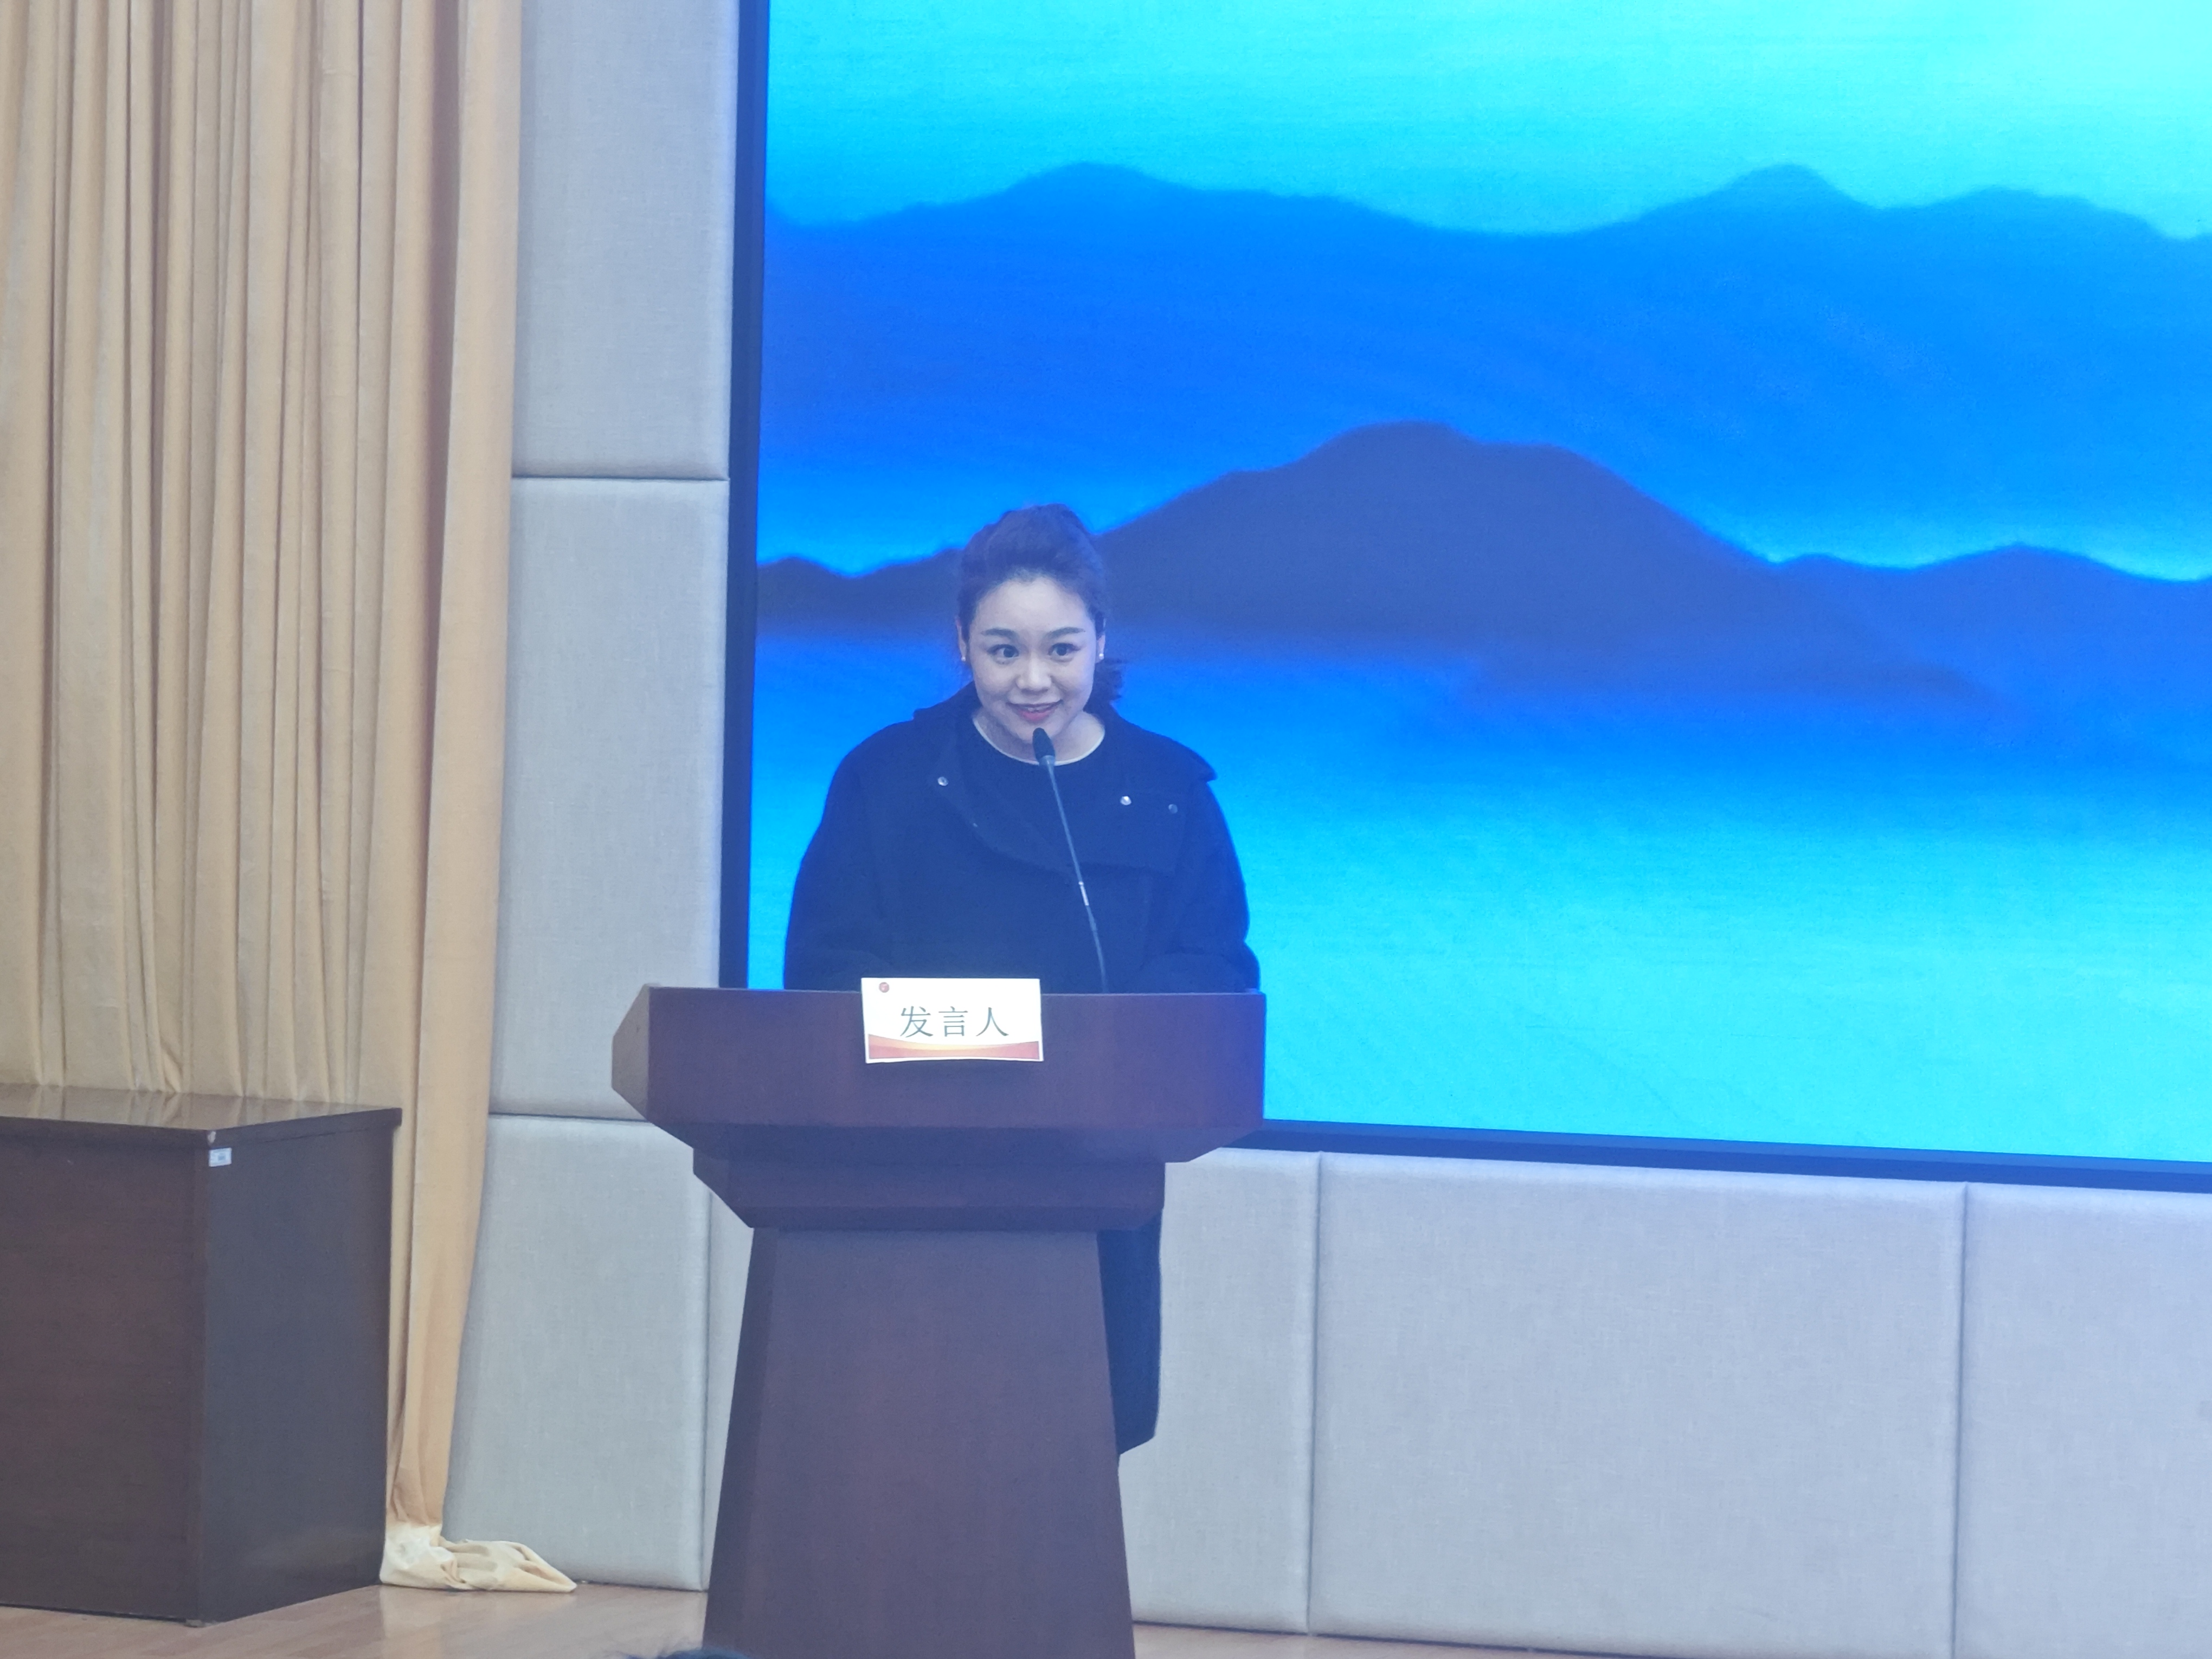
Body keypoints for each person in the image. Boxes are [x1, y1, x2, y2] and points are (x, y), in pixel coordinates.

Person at [782, 504, 1260, 1452]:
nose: (1033, 680)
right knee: (907, 1442)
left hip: (1093, 1189)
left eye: (1061, 650)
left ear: (1100, 643)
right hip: (912, 1183)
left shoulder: (1170, 792)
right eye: (1004, 651)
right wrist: (978, 1037)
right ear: (962, 643)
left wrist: (1094, 1048)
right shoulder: (886, 781)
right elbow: (826, 973)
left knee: (1066, 1449)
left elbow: (1215, 971)